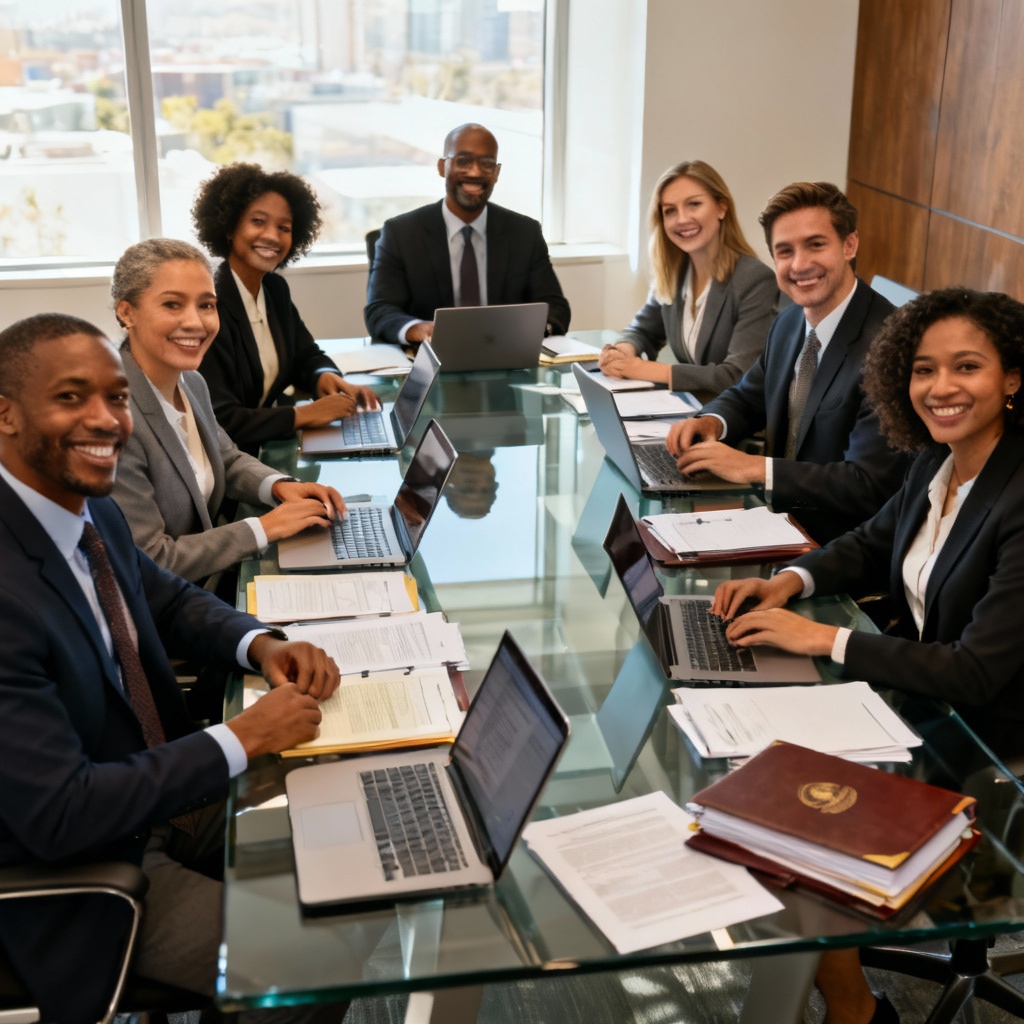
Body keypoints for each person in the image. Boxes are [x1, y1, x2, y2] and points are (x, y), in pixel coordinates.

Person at [0, 313, 341, 1023]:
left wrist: (263, 645)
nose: (106, 420)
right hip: (82, 865)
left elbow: (170, 599)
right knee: (308, 963)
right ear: (6, 414)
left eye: (117, 397)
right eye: (71, 398)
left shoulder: (88, 509)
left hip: (162, 786)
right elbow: (61, 813)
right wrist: (240, 739)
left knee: (346, 804)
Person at [712, 287, 1024, 1024]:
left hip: (997, 743)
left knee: (788, 823)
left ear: (1012, 377)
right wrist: (791, 579)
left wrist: (823, 637)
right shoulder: (941, 460)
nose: (941, 388)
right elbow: (874, 540)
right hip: (927, 708)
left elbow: (976, 670)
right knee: (757, 785)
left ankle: (854, 1009)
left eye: (967, 367)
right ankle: (841, 986)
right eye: (923, 369)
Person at [666, 181, 907, 543]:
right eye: (784, 251)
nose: (799, 264)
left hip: (840, 547)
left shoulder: (891, 345)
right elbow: (749, 396)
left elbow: (867, 484)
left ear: (849, 245)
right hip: (775, 523)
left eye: (816, 244)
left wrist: (754, 468)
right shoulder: (790, 320)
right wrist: (710, 422)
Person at [110, 238, 345, 586]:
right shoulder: (114, 421)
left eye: (207, 305)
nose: (196, 322)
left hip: (206, 584)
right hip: (164, 613)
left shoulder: (190, 381)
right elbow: (151, 558)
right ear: (127, 313)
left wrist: (280, 486)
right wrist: (264, 528)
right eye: (173, 304)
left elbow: (226, 457)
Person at [193, 162, 380, 453]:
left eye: (284, 228)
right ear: (229, 226)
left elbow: (304, 354)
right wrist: (303, 415)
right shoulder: (208, 303)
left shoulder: (274, 289)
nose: (272, 236)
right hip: (224, 466)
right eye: (258, 222)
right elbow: (220, 418)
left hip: (264, 449)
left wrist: (324, 376)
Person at [363, 122, 571, 344]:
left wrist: (526, 330)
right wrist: (417, 330)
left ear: (497, 173)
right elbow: (379, 310)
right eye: (463, 161)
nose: (475, 172)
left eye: (487, 163)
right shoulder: (401, 234)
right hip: (430, 361)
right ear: (442, 167)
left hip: (506, 357)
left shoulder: (524, 233)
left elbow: (556, 308)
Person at [598, 160, 778, 402]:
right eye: (669, 210)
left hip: (734, 424)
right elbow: (643, 330)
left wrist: (642, 369)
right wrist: (622, 352)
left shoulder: (755, 280)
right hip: (690, 409)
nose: (681, 219)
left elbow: (738, 376)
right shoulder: (674, 273)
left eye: (694, 204)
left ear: (721, 208)